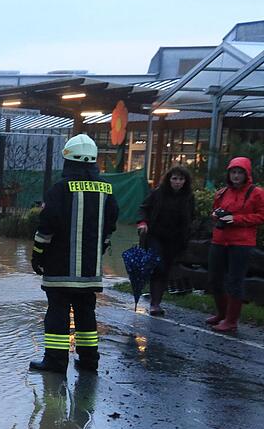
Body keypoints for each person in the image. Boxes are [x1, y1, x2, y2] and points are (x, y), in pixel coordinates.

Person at [29, 134, 119, 373]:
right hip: (90, 272)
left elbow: (45, 230)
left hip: (59, 269)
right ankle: (89, 361)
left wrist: (37, 257)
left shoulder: (59, 189)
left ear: (68, 160)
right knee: (86, 316)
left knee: (57, 315)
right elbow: (110, 227)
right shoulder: (106, 190)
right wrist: (98, 251)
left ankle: (56, 362)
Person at [206, 156, 264, 333]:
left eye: (240, 172)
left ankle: (231, 320)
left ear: (246, 174)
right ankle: (222, 314)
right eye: (233, 172)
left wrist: (235, 219)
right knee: (215, 278)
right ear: (228, 174)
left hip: (241, 243)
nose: (236, 176)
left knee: (235, 280)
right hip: (219, 240)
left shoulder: (257, 193)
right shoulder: (222, 192)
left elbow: (261, 215)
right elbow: (214, 211)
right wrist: (217, 216)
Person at [135, 165, 194, 316]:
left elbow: (192, 217)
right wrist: (143, 223)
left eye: (181, 179)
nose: (178, 182)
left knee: (165, 270)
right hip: (156, 235)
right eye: (175, 178)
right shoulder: (158, 193)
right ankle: (154, 303)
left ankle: (156, 303)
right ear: (169, 179)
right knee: (158, 267)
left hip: (175, 239)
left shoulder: (188, 197)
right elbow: (144, 208)